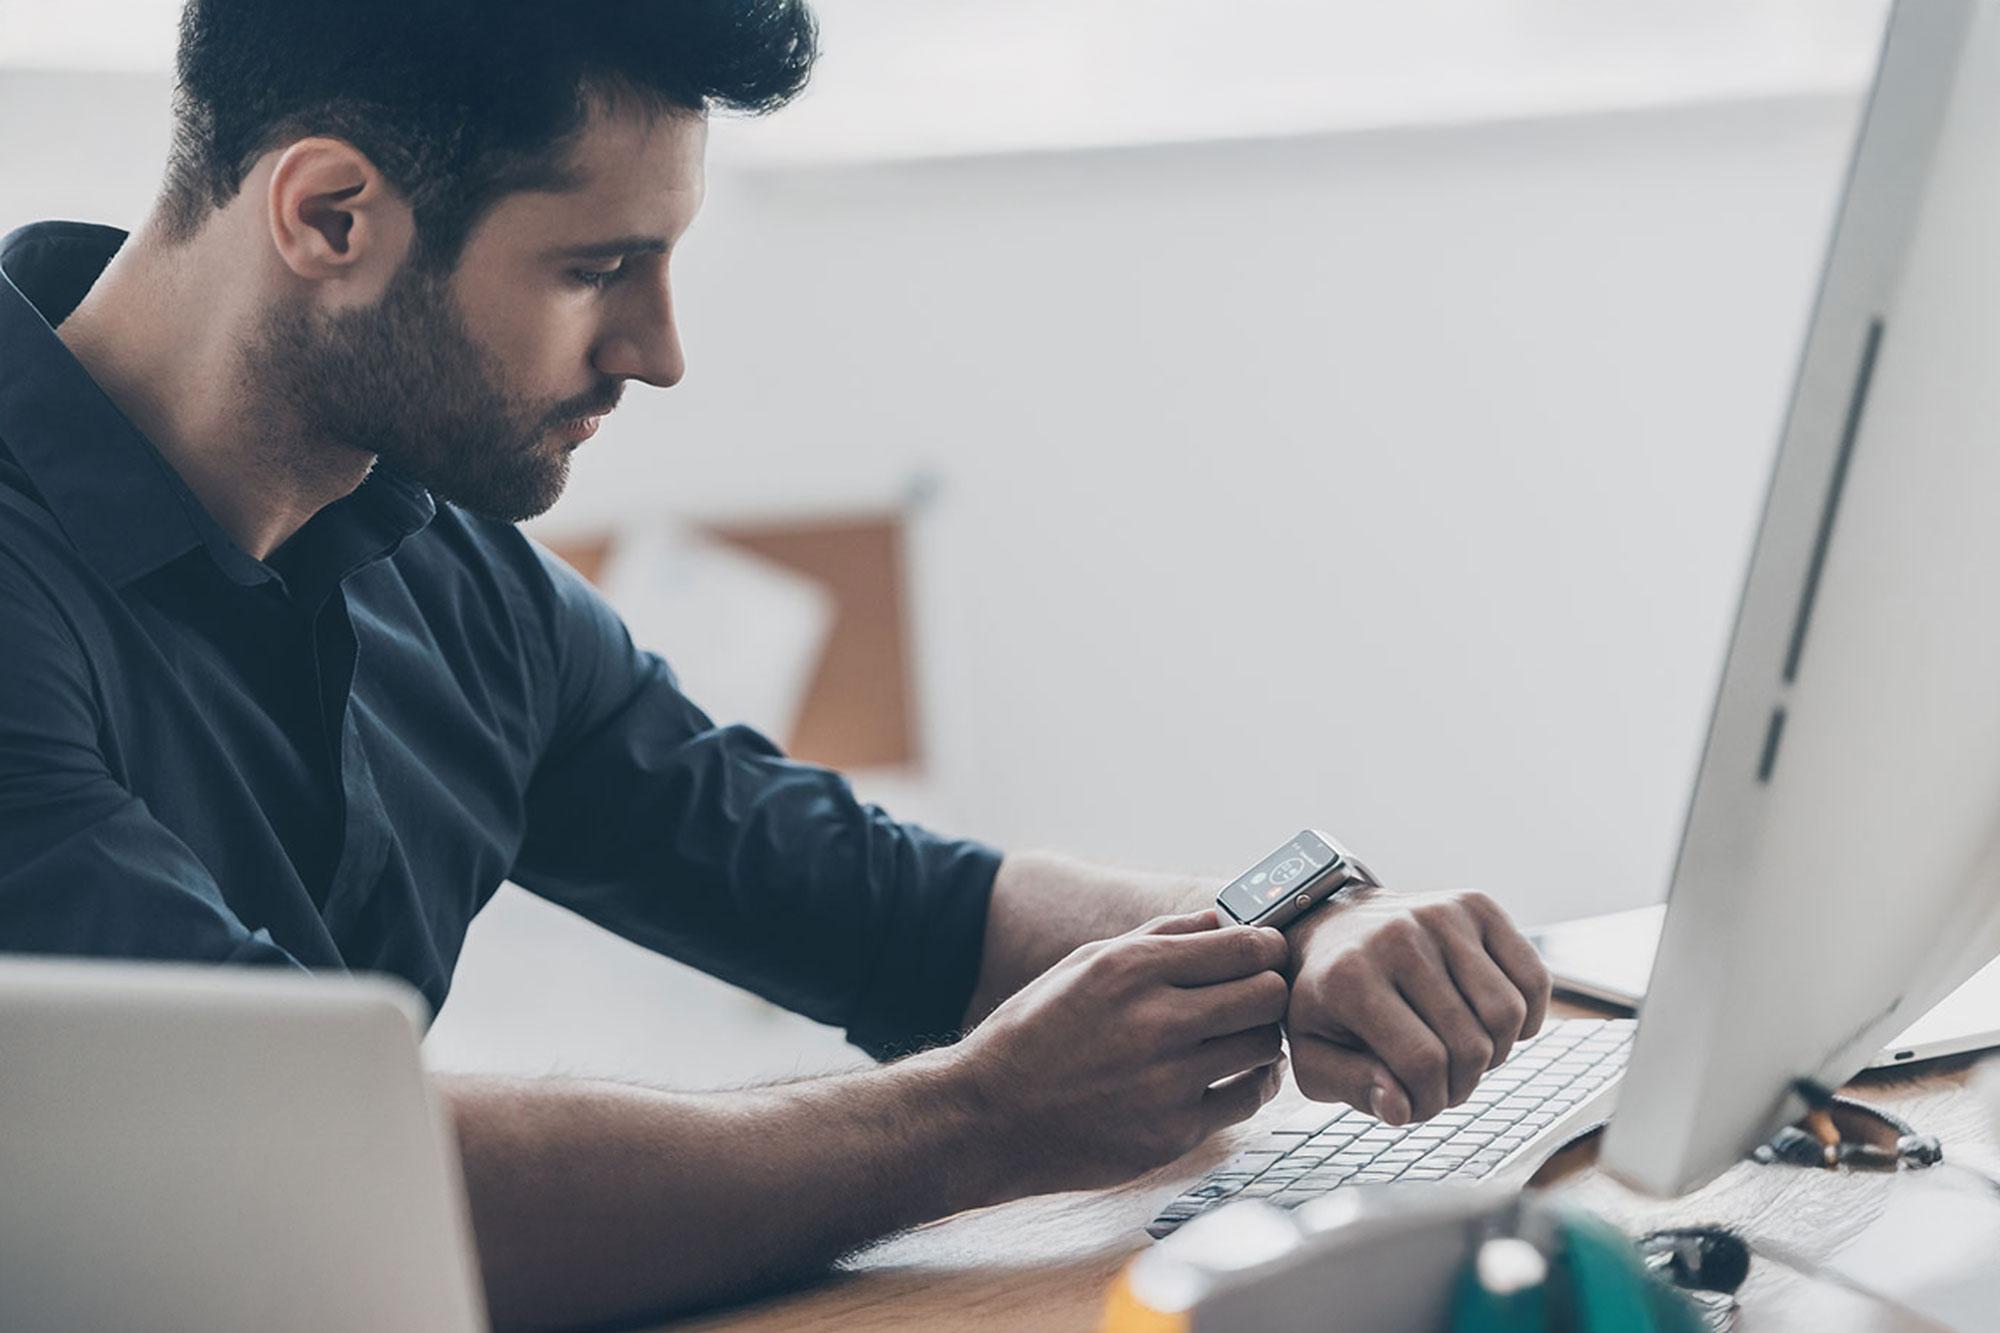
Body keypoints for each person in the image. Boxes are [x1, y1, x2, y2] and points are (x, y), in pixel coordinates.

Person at [0, 2, 1553, 1327]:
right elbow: (291, 1180)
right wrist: (976, 1120)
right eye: (596, 268)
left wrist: (1313, 924)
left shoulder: (440, 565)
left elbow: (885, 900)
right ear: (330, 217)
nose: (659, 350)